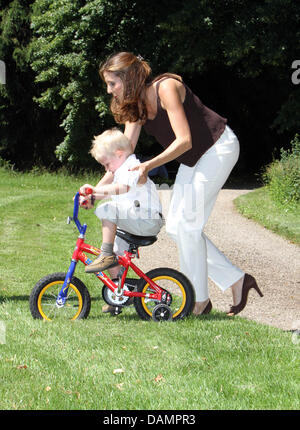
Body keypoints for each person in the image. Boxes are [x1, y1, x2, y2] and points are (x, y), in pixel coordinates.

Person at [98, 51, 263, 316]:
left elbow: (184, 139)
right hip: (193, 160)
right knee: (176, 228)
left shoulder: (167, 87)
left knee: (187, 225)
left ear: (129, 78)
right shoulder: (135, 109)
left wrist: (149, 165)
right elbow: (122, 156)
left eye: (112, 83)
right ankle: (237, 281)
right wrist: (96, 191)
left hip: (217, 149)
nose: (109, 90)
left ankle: (198, 300)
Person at [79, 128, 164, 276]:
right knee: (114, 253)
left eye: (107, 165)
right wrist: (90, 198)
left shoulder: (133, 167)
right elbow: (112, 192)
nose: (107, 170)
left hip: (147, 219)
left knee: (107, 209)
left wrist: (94, 190)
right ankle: (119, 291)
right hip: (137, 219)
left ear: (119, 154)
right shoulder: (120, 172)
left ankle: (106, 255)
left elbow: (123, 188)